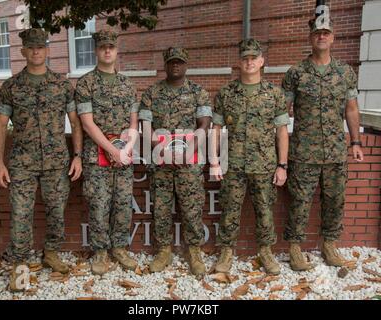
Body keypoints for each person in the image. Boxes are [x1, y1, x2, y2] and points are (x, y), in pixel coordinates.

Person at [0, 28, 83, 291]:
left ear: (47, 50)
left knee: (56, 211)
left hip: (57, 162)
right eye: (31, 47)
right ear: (23, 51)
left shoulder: (62, 84)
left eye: (40, 47)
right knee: (21, 213)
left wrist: (77, 156)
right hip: (22, 163)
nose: (35, 51)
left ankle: (51, 252)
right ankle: (20, 264)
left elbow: (75, 123)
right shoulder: (11, 87)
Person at [282, 17, 364, 271]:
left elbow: (351, 109)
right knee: (299, 201)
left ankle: (329, 244)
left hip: (335, 151)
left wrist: (356, 141)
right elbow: (283, 113)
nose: (321, 36)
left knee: (334, 200)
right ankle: (294, 248)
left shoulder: (345, 72)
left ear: (333, 37)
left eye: (326, 32)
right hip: (303, 152)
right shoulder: (296, 73)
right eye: (317, 33)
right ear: (310, 37)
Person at [211, 38, 290, 275]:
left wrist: (282, 165)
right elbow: (215, 129)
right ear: (239, 62)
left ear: (262, 61)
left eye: (253, 58)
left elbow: (282, 132)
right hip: (232, 163)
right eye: (245, 58)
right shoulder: (226, 93)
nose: (249, 62)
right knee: (229, 210)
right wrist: (214, 161)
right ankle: (226, 252)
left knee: (265, 210)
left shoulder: (275, 94)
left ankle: (266, 251)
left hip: (264, 164)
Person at [138, 47, 212, 276]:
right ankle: (164, 251)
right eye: (171, 62)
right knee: (161, 209)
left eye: (179, 62)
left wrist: (188, 151)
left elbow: (204, 125)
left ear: (186, 64)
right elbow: (146, 128)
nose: (175, 66)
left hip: (188, 163)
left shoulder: (199, 92)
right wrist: (163, 152)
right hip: (161, 162)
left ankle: (195, 252)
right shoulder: (151, 93)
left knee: (191, 209)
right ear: (165, 65)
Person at [75, 30, 139, 275]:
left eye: (111, 47)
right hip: (96, 156)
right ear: (96, 51)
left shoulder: (128, 84)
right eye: (103, 47)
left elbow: (134, 122)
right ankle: (101, 252)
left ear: (117, 50)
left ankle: (120, 248)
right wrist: (112, 149)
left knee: (123, 204)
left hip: (123, 157)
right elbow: (87, 123)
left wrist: (127, 149)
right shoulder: (86, 83)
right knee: (99, 205)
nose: (107, 51)